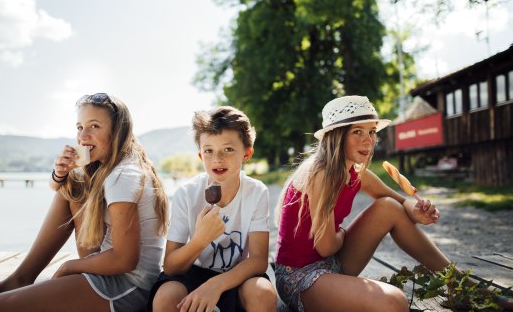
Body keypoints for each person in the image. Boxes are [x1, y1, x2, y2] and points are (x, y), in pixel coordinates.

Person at [0, 93, 169, 312]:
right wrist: (60, 173)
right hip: (110, 270)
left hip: (128, 286)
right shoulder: (115, 165)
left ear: (117, 131)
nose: (83, 136)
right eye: (79, 127)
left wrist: (69, 267)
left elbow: (125, 260)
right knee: (73, 183)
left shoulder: (122, 177)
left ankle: (22, 278)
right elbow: (59, 189)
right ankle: (23, 277)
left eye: (94, 126)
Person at [274, 95, 453, 311]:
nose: (368, 140)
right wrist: (340, 232)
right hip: (301, 277)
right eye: (357, 132)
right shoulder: (321, 175)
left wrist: (415, 210)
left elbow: (398, 201)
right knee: (394, 301)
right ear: (336, 136)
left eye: (371, 132)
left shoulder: (357, 173)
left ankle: (457, 284)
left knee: (388, 207)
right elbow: (326, 246)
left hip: (333, 263)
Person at [148, 106, 277, 312]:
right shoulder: (187, 194)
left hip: (238, 274)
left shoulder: (256, 192)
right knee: (166, 297)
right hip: (193, 272)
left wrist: (215, 285)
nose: (217, 159)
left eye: (228, 149)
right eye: (209, 151)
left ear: (247, 153)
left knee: (262, 292)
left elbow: (259, 259)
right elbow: (171, 265)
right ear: (200, 156)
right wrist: (200, 240)